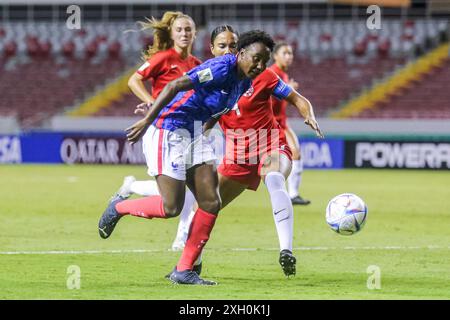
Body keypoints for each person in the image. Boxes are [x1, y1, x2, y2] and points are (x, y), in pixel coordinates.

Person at [119, 27, 323, 277]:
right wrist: (182, 128)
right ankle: (189, 265)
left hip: (268, 141)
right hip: (238, 155)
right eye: (223, 46)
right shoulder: (219, 77)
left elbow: (297, 98)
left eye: (232, 45)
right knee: (206, 205)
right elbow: (208, 115)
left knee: (274, 177)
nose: (229, 50)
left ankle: (286, 251)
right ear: (213, 50)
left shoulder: (263, 77)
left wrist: (308, 114)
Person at [98, 30, 276, 285]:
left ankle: (183, 270)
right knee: (172, 207)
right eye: (256, 58)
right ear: (241, 54)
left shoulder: (245, 81)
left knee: (211, 201)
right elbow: (174, 85)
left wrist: (204, 132)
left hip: (193, 133)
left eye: (264, 61)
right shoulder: (221, 68)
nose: (260, 66)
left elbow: (219, 109)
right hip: (168, 129)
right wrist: (147, 120)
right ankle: (119, 207)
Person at [270, 42, 311, 205]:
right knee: (288, 156)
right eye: (285, 53)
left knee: (294, 154)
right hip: (273, 123)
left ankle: (291, 194)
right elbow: (267, 96)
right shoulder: (273, 73)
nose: (288, 57)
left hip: (282, 122)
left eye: (290, 53)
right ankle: (289, 194)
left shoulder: (283, 74)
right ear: (275, 56)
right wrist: (287, 90)